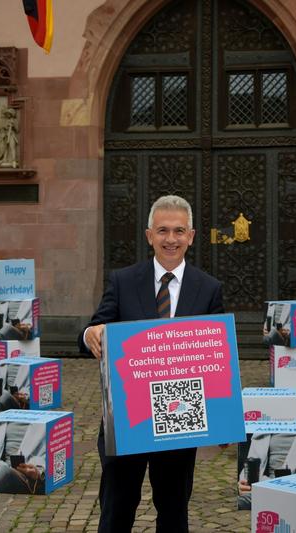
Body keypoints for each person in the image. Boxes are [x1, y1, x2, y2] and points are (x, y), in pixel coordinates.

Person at [78, 195, 223, 533]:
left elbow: (216, 360)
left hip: (180, 418)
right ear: (149, 236)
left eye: (178, 231)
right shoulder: (123, 280)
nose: (170, 239)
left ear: (191, 236)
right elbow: (93, 328)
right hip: (127, 417)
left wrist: (220, 419)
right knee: (116, 511)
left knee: (173, 513)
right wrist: (91, 335)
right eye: (162, 230)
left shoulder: (209, 289)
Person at [236, 431, 296, 510]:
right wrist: (245, 482)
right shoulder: (263, 429)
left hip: (295, 490)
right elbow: (251, 463)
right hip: (262, 487)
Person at [0, 421, 46, 494]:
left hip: (26, 476)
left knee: (4, 471)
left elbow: (53, 454)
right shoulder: (0, 420)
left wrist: (39, 472)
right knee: (2, 470)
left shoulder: (47, 420)